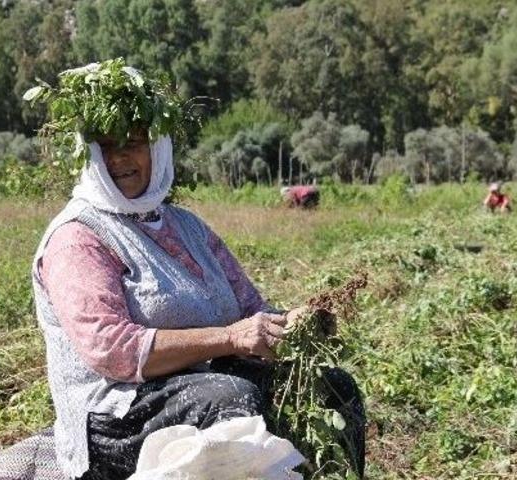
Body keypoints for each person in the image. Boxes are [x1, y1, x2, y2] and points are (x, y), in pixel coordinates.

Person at [30, 64, 365, 480]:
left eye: (134, 143)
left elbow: (249, 309)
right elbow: (112, 351)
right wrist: (228, 338)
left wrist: (292, 323)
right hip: (113, 411)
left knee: (334, 388)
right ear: (91, 156)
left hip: (200, 381)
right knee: (228, 398)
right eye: (106, 146)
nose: (119, 158)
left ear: (158, 149)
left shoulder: (186, 226)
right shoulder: (78, 238)